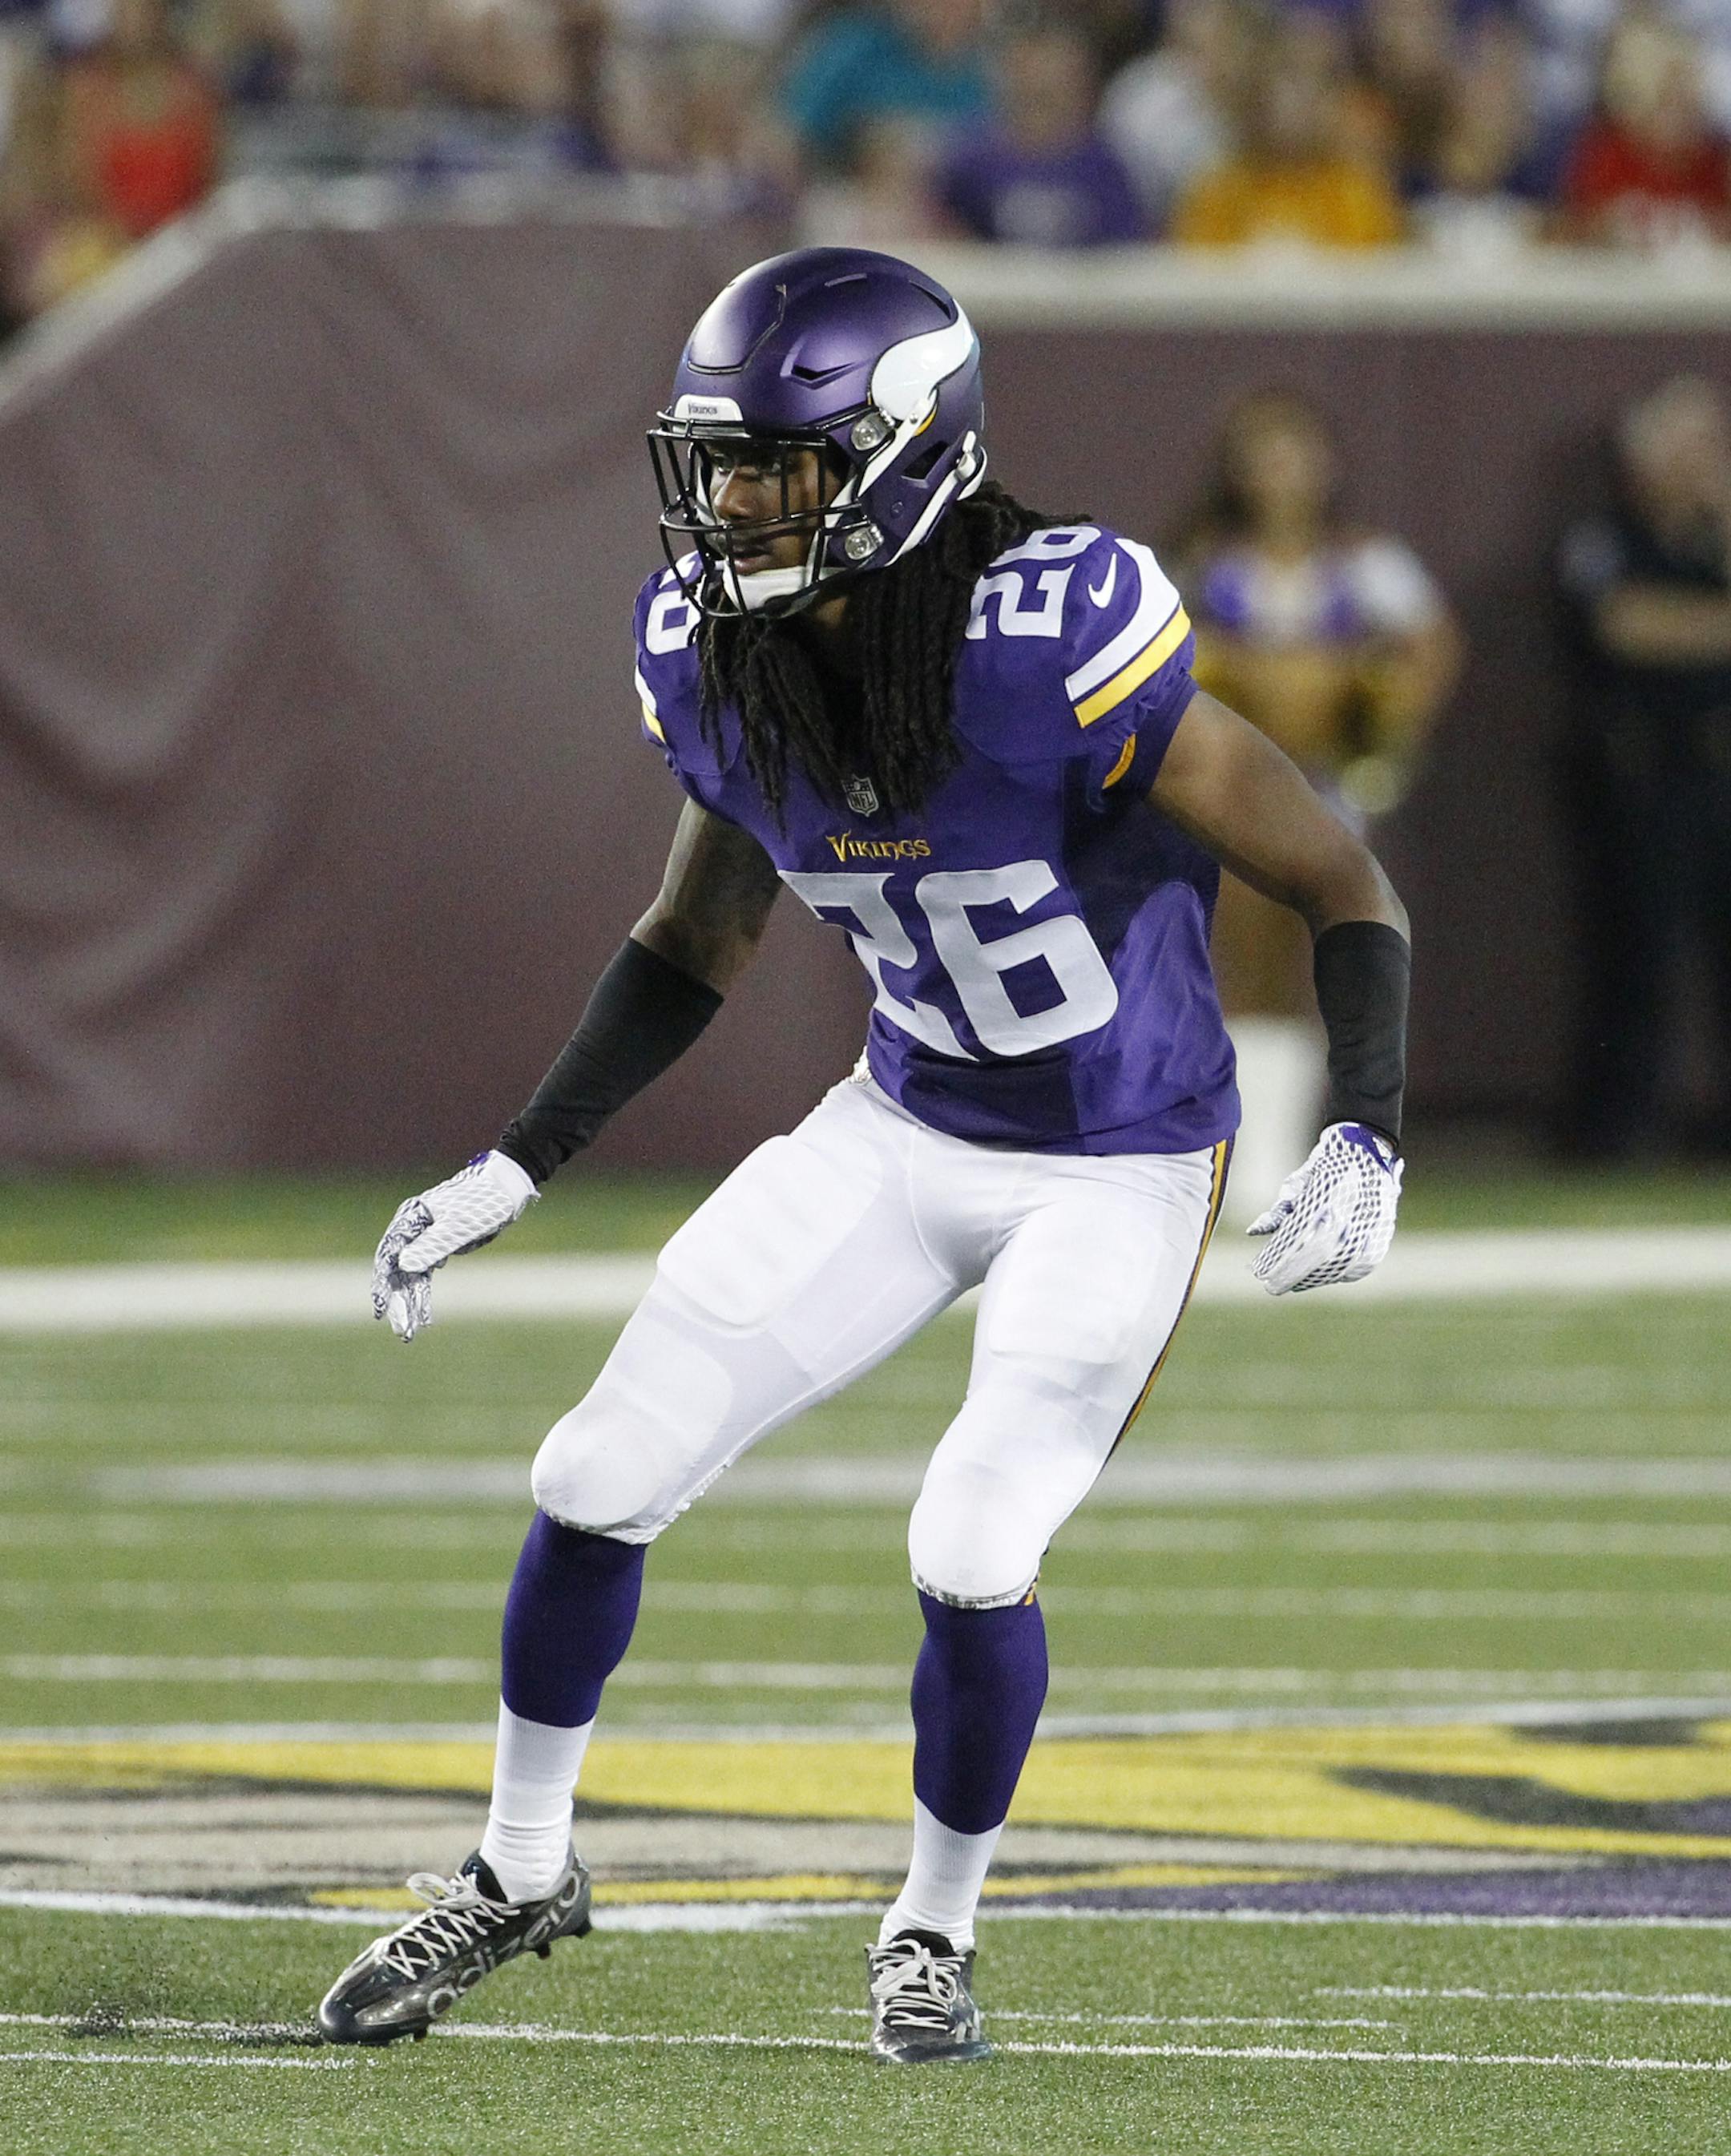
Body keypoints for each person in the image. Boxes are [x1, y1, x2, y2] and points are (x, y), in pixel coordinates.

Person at [315, 247, 1412, 2065]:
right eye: (718, 461)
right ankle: (517, 1867)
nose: (733, 499)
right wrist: (522, 1160)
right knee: (593, 1469)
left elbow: (1338, 878)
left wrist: (1365, 1126)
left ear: (899, 456)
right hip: (901, 1123)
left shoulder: (1055, 633)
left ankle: (930, 1926)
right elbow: (694, 934)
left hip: (1117, 1157)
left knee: (972, 1543)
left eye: (775, 462)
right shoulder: (716, 654)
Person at [1173, 389, 1458, 1220]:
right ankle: (1241, 1151)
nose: (1281, 470)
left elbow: (1431, 647)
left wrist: (1384, 723)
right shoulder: (1204, 559)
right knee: (1237, 950)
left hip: (1325, 784)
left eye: (1294, 450)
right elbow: (1166, 656)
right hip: (1229, 783)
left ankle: (1289, 1147)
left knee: (1313, 955)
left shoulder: (1364, 558)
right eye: (1263, 452)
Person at [1556, 376, 1731, 1159]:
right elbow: (1627, 625)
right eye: (1692, 445)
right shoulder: (1604, 535)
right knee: (1637, 958)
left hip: (1721, 769)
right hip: (1645, 774)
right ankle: (1613, 1131)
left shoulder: (1713, 539)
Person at [933, 11, 1143, 246]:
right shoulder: (970, 161)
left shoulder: (1105, 166)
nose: (1039, 76)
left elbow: (1127, 251)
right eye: (1028, 65)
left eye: (1053, 68)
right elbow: (945, 236)